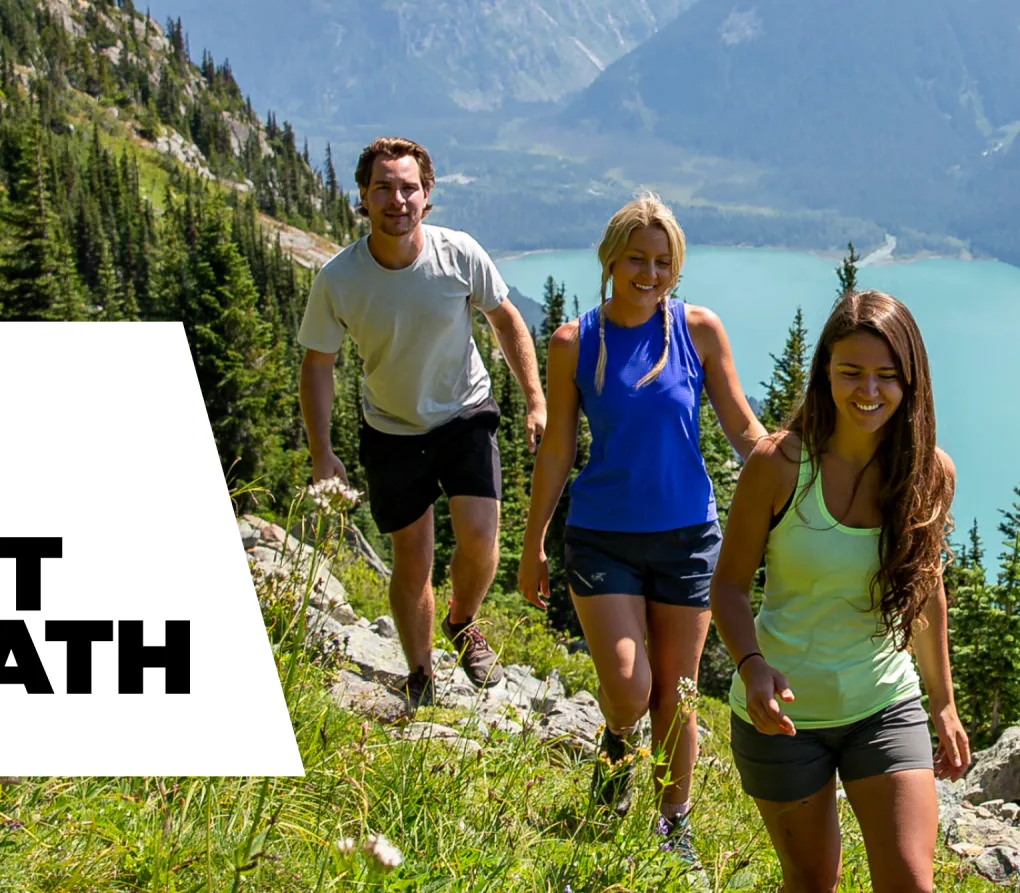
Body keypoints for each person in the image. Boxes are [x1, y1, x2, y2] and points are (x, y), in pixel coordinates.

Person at [517, 193, 765, 861]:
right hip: (602, 536)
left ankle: (672, 823)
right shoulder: (575, 342)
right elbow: (559, 448)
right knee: (630, 684)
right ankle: (618, 744)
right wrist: (533, 540)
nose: (650, 274)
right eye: (637, 260)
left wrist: (791, 485)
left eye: (663, 261)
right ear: (611, 260)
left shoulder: (699, 330)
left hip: (688, 538)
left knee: (678, 695)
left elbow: (743, 427)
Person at [709, 289, 971, 893]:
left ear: (912, 382)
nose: (868, 392)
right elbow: (728, 585)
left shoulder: (930, 474)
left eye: (887, 376)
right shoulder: (779, 465)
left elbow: (926, 593)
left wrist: (944, 703)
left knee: (910, 882)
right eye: (851, 372)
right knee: (811, 882)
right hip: (784, 716)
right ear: (825, 370)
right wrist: (751, 667)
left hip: (882, 702)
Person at [298, 136, 547, 709]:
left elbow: (506, 320)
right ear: (363, 197)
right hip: (390, 428)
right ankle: (419, 673)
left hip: (465, 411)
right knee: (413, 558)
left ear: (427, 197)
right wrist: (321, 451)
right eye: (383, 187)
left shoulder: (458, 254)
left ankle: (462, 621)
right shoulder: (340, 279)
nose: (397, 199)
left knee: (482, 539)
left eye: (408, 187)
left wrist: (534, 398)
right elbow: (318, 364)